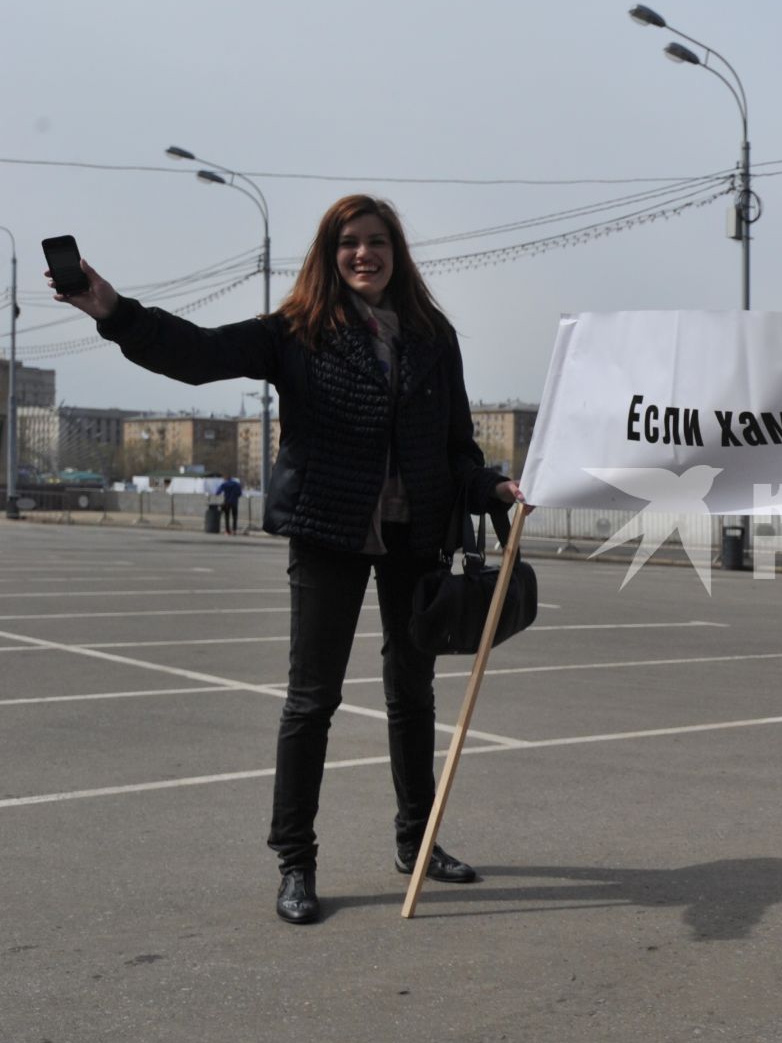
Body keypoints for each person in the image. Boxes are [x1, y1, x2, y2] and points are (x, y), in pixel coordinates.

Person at [53, 195, 526, 926]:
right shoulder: (296, 333)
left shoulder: (435, 337)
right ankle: (296, 862)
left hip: (416, 539)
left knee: (412, 695)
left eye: (377, 243)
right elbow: (197, 352)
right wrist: (110, 309)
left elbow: (455, 447)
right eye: (349, 243)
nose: (364, 254)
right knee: (313, 701)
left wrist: (492, 482)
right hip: (329, 533)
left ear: (397, 253)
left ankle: (418, 841)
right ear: (328, 255)